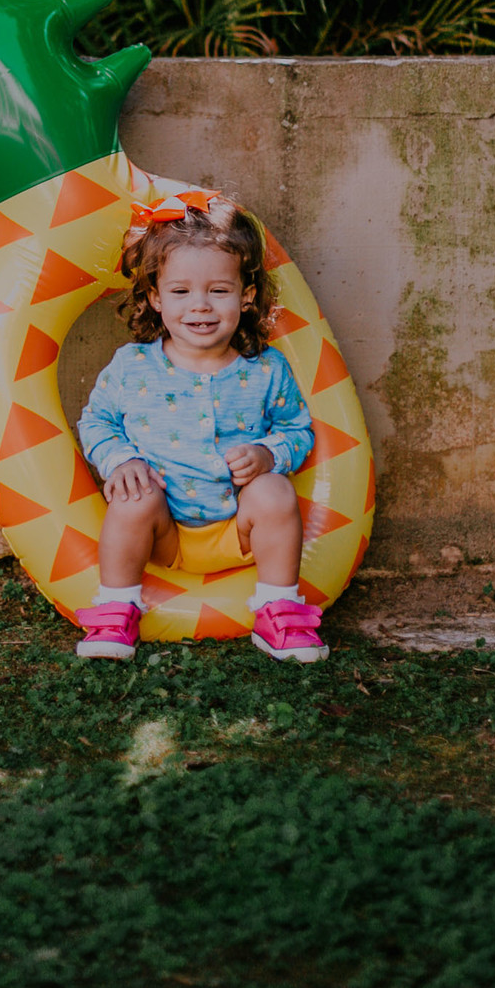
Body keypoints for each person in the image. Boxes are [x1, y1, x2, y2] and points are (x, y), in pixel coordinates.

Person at [74, 190, 328, 664]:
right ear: (155, 297)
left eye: (218, 290)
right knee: (134, 494)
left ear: (246, 295)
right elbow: (97, 422)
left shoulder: (266, 369)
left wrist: (268, 454)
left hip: (239, 529)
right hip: (162, 531)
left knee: (274, 491)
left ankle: (278, 611)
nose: (201, 307)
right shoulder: (132, 366)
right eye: (181, 292)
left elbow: (298, 429)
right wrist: (120, 460)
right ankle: (115, 610)